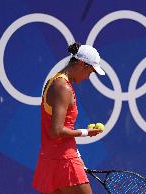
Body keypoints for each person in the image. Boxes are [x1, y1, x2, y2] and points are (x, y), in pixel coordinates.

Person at [32, 43, 105, 194]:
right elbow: (56, 131)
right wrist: (86, 132)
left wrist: (76, 154)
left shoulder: (54, 81)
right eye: (89, 72)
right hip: (62, 161)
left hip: (50, 158)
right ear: (81, 64)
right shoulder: (63, 87)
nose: (88, 77)